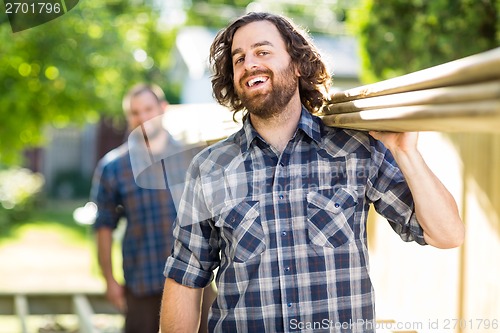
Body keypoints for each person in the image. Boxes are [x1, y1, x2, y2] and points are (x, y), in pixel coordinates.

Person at [160, 12, 464, 333]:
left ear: (298, 64)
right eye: (239, 58)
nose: (249, 63)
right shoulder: (209, 169)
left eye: (262, 51)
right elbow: (186, 275)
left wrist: (406, 152)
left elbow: (447, 234)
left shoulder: (355, 149)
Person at [91, 83, 216, 333]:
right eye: (135, 112)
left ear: (163, 108)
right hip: (142, 283)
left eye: (148, 109)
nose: (143, 117)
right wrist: (109, 280)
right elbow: (103, 226)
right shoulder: (113, 167)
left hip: (195, 281)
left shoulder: (194, 157)